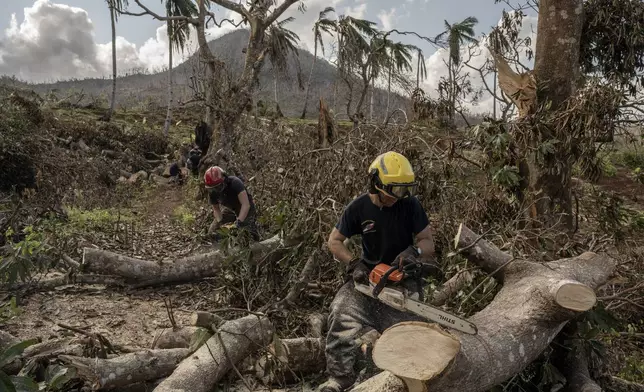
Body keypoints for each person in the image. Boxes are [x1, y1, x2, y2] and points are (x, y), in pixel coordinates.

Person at [318, 151, 443, 392]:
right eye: (394, 191)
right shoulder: (359, 207)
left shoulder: (410, 205)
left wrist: (413, 253)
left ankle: (398, 378)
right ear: (376, 183)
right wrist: (354, 263)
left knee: (409, 337)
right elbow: (334, 241)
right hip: (368, 279)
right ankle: (340, 377)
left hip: (403, 280)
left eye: (404, 190)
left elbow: (428, 241)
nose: (399, 197)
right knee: (340, 312)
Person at [204, 166, 259, 242]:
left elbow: (245, 204)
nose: (216, 190)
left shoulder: (235, 182)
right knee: (213, 231)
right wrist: (221, 223)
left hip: (245, 206)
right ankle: (224, 247)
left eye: (218, 186)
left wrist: (239, 222)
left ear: (224, 178)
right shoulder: (212, 192)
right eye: (213, 188)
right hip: (231, 209)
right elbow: (216, 209)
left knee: (248, 233)